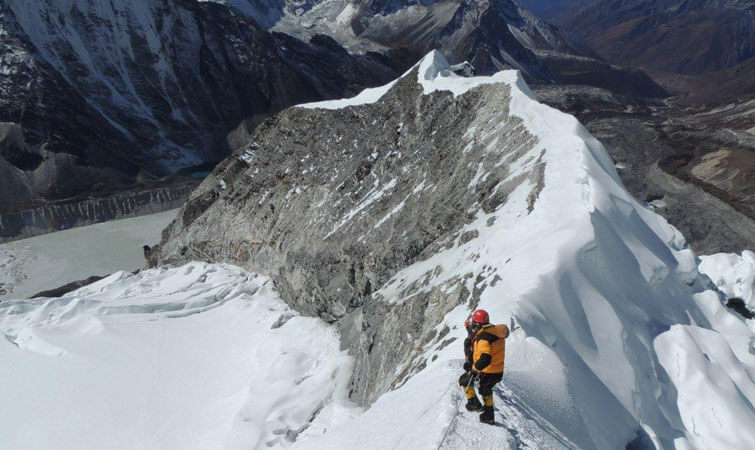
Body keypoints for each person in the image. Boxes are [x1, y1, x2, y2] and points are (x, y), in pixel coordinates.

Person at [458, 309, 510, 424]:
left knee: (464, 380)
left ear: (477, 324)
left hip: (488, 370)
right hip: (497, 371)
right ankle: (488, 415)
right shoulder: (492, 330)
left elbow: (485, 358)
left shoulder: (483, 338)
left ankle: (474, 403)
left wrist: (474, 370)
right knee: (485, 389)